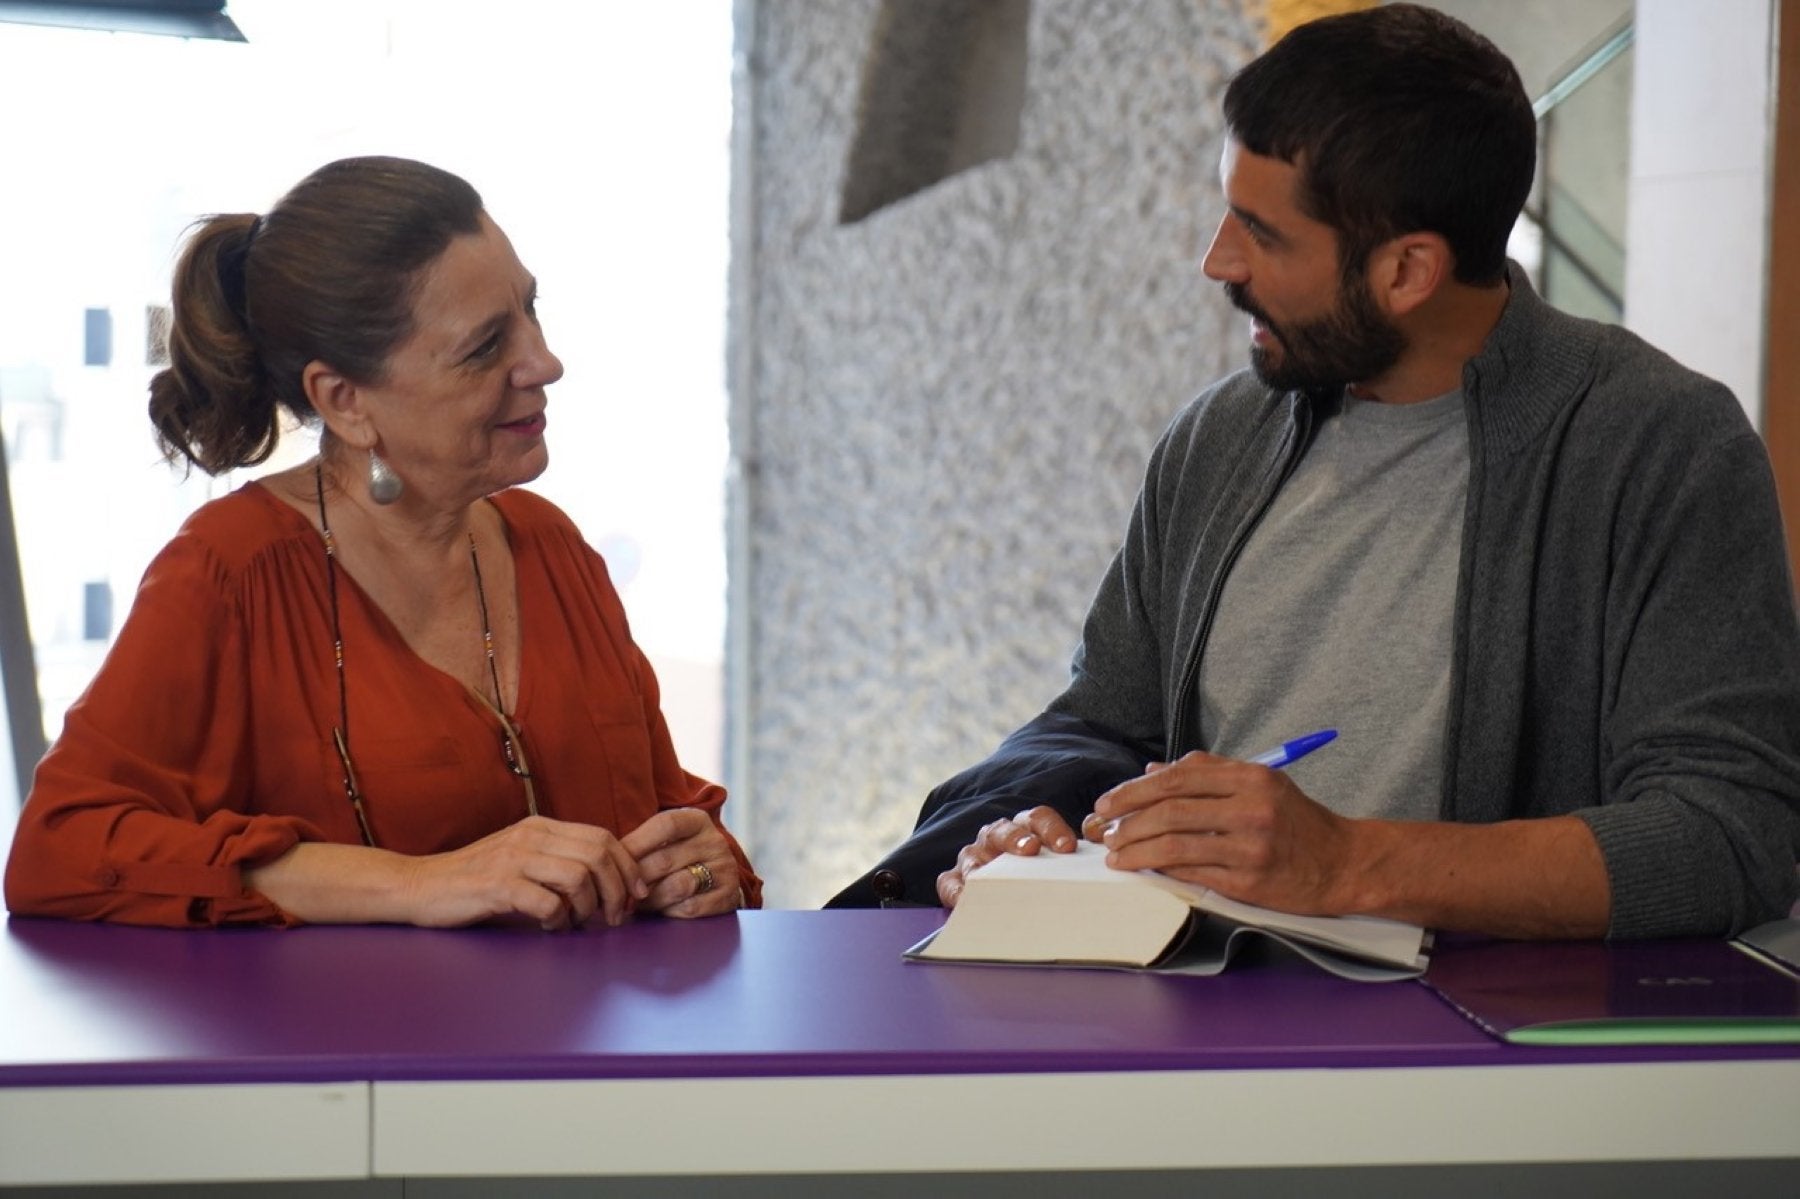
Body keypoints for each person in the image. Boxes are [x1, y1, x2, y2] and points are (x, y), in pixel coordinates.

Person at [828, 4, 1800, 939]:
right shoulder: (1219, 437)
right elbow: (1101, 717)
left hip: (1497, 1074)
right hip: (1194, 1027)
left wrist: (1344, 862)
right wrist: (1033, 814)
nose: (1218, 261)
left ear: (1408, 271)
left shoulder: (1657, 445)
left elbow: (1730, 831)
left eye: (1264, 233)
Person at [3, 156, 760, 929]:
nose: (544, 362)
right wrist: (421, 884)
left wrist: (699, 863)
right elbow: (59, 849)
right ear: (345, 401)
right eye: (484, 346)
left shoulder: (554, 548)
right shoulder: (230, 573)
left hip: (592, 1049)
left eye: (531, 311)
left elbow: (675, 813)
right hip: (355, 1052)